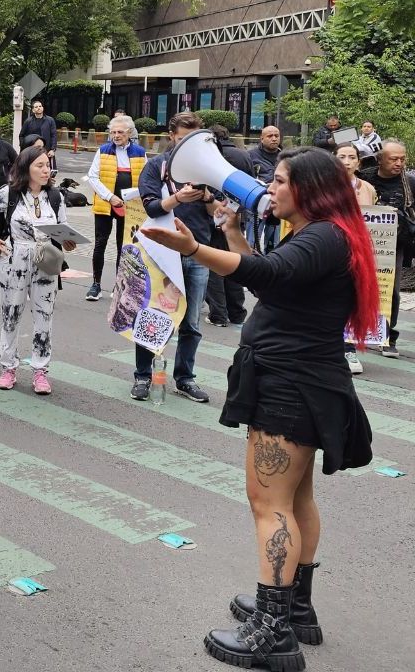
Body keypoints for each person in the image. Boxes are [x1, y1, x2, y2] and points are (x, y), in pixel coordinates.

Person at [140, 147, 379, 672]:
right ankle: (294, 607)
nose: (270, 188)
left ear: (311, 189)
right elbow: (269, 275)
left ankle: (272, 631)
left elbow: (264, 274)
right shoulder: (326, 233)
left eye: (280, 181)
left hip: (290, 386)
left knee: (268, 504)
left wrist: (194, 246)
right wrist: (230, 233)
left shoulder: (322, 237)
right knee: (295, 499)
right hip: (303, 380)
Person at [129, 112, 215, 404]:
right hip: (162, 254)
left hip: (198, 250)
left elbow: (223, 211)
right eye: (182, 139)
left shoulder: (206, 168)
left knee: (192, 322)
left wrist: (206, 198)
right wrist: (178, 198)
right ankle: (142, 375)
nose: (187, 146)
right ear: (171, 136)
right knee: (154, 316)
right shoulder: (155, 166)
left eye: (194, 139)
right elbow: (152, 207)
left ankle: (185, 378)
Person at [0, 146, 75, 394]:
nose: (45, 170)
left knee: (44, 314)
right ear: (26, 168)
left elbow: (62, 228)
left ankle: (41, 371)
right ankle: (8, 368)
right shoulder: (10, 193)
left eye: (47, 166)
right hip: (14, 258)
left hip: (46, 260)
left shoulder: (55, 196)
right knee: (11, 314)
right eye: (39, 165)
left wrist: (68, 241)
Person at [359, 140, 414, 358]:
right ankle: (354, 333)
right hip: (362, 243)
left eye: (402, 158)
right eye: (393, 159)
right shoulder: (364, 178)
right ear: (380, 159)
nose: (399, 163)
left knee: (390, 291)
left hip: (394, 246)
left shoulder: (410, 183)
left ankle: (387, 336)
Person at [84, 115, 145, 300]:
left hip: (129, 206)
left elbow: (145, 179)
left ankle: (120, 286)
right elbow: (93, 177)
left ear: (129, 133)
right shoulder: (103, 150)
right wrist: (110, 197)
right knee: (100, 244)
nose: (116, 135)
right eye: (113, 132)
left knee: (123, 246)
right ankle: (96, 284)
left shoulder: (140, 152)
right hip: (105, 204)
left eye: (120, 132)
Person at [334, 142, 377, 375]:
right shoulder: (323, 187)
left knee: (351, 298)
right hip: (331, 248)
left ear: (359, 162)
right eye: (342, 157)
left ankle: (348, 347)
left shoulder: (367, 188)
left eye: (352, 157)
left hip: (358, 251)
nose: (347, 162)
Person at [204, 125, 253, 329]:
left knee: (215, 265)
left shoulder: (212, 156)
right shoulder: (244, 155)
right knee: (234, 263)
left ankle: (218, 314)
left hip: (214, 214)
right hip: (236, 216)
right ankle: (237, 312)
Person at [248, 125, 283, 252]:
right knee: (251, 243)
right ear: (261, 138)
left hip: (277, 203)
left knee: (274, 244)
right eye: (270, 136)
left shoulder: (284, 157)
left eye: (276, 136)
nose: (274, 139)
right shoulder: (250, 156)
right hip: (257, 203)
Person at [20, 101, 58, 169]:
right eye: (36, 107)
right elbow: (22, 135)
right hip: (32, 151)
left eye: (40, 106)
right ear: (33, 110)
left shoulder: (50, 120)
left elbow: (54, 135)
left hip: (46, 150)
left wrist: (52, 149)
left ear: (43, 108)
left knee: (47, 170)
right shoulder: (28, 121)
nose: (38, 108)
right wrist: (24, 148)